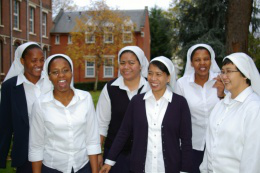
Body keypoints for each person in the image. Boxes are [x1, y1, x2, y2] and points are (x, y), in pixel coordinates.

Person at [100, 56, 193, 173]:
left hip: (169, 167)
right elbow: (124, 132)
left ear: (168, 77)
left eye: (159, 74)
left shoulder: (180, 104)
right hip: (141, 167)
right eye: (150, 73)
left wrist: (185, 170)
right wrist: (109, 160)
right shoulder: (137, 102)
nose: (153, 78)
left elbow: (186, 141)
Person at [28, 54, 101, 173]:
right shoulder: (41, 104)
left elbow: (92, 139)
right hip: (53, 168)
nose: (61, 75)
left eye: (65, 70)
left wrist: (94, 171)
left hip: (82, 166)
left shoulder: (85, 98)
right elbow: (36, 145)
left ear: (72, 72)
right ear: (49, 77)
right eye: (55, 72)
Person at [200, 53, 260, 173]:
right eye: (222, 72)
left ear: (245, 74)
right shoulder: (220, 105)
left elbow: (253, 157)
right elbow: (210, 145)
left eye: (229, 71)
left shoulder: (254, 108)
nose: (224, 76)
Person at [96, 46, 150, 172]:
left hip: (145, 153)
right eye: (122, 63)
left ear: (141, 65)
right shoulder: (110, 88)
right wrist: (98, 153)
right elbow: (101, 124)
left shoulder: (151, 88)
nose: (126, 67)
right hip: (115, 155)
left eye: (131, 63)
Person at [174, 43, 224, 173]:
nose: (202, 63)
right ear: (191, 63)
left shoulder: (222, 81)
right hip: (192, 145)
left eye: (206, 59)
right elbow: (177, 115)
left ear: (211, 61)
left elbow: (231, 110)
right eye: (197, 60)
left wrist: (222, 94)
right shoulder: (182, 84)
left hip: (219, 144)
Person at [0, 42, 49, 173]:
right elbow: (5, 124)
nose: (38, 64)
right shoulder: (9, 87)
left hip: (52, 151)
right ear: (22, 61)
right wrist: (2, 156)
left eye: (41, 60)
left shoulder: (51, 82)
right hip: (24, 153)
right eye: (33, 60)